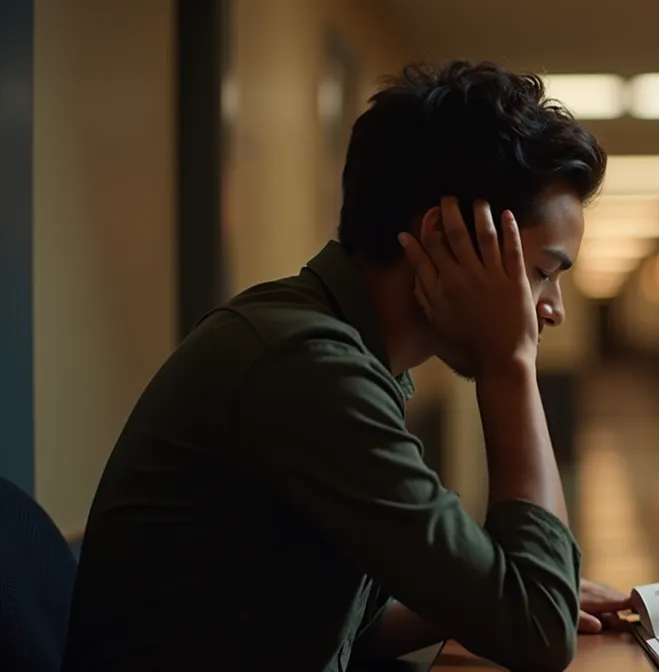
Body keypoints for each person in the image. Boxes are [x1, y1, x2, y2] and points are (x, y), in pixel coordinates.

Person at [63, 61, 629, 672]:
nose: (553, 310)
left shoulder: (336, 350)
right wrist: (509, 365)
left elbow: (337, 629)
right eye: (542, 272)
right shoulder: (305, 366)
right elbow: (537, 636)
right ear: (447, 234)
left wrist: (498, 598)